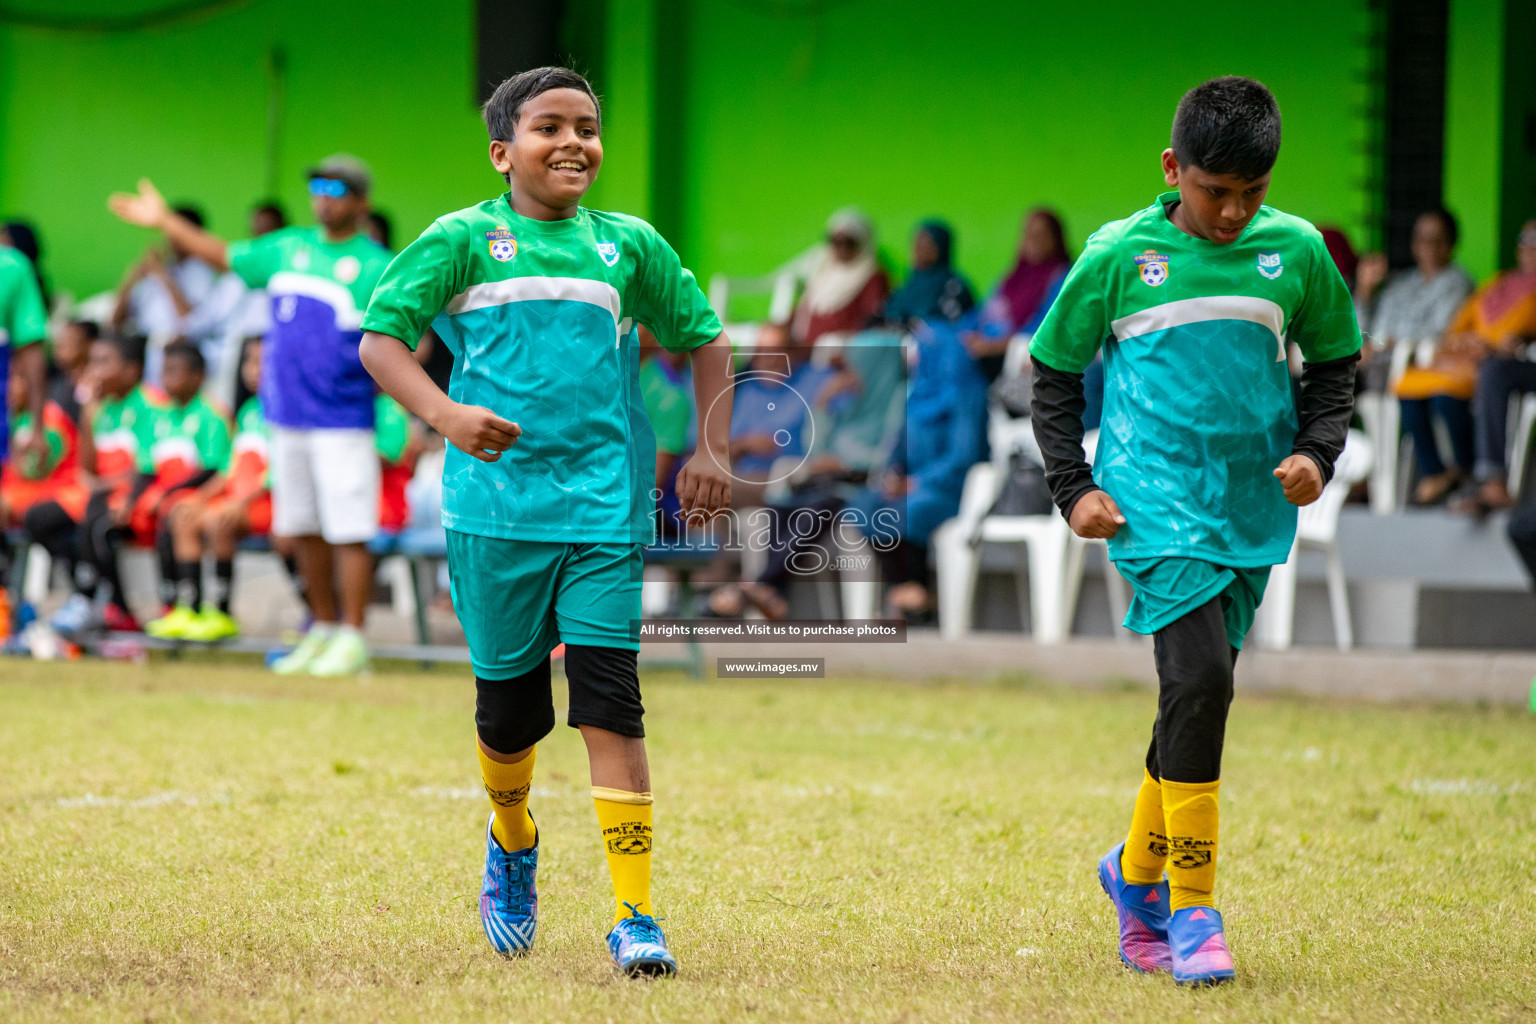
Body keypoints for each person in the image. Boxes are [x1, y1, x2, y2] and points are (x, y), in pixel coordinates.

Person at [356, 66, 734, 977]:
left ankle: (635, 917)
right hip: (493, 514)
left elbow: (707, 339)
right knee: (509, 715)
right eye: (549, 128)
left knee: (611, 697)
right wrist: (446, 417)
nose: (573, 142)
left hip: (604, 507)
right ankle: (513, 839)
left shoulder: (629, 248)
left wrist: (714, 453)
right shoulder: (462, 241)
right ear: (502, 152)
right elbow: (379, 342)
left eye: (588, 128)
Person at [1029, 77, 1359, 985]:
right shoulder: (1116, 255)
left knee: (1195, 699)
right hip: (1152, 504)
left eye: (1252, 192)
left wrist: (1317, 455)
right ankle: (1193, 908)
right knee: (1202, 677)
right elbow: (1052, 373)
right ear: (1174, 169)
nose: (1233, 211)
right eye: (1216, 190)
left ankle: (1132, 873)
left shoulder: (1294, 251)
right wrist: (1074, 488)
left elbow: (1334, 365)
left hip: (1250, 505)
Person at [108, 153, 393, 676]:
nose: (324, 196)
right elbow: (223, 254)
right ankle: (324, 628)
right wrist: (164, 221)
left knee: (348, 531)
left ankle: (354, 637)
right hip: (286, 417)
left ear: (361, 202)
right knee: (302, 526)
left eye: (337, 188)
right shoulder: (288, 248)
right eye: (318, 186)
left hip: (342, 421)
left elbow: (403, 343)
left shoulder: (377, 265)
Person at [31, 334, 164, 635]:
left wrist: (109, 486)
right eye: (92, 362)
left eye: (103, 362)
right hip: (102, 491)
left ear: (131, 370)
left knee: (97, 520)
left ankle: (117, 608)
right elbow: (87, 468)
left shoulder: (151, 405)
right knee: (40, 518)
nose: (93, 370)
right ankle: (86, 592)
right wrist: (89, 411)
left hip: (135, 496)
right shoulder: (101, 407)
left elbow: (148, 469)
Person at [143, 338, 271, 642]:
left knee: (217, 521)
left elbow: (278, 473)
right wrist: (198, 498)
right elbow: (229, 469)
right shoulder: (250, 411)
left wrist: (240, 502)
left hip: (265, 503)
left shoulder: (287, 412)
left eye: (261, 362)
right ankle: (191, 610)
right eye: (248, 362)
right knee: (185, 514)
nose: (253, 371)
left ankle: (223, 614)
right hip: (236, 500)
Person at [1353, 210, 1476, 504]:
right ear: (1413, 244)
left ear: (1452, 243)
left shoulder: (1457, 283)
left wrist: (1393, 345)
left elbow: (1441, 336)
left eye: (1437, 240)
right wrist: (1366, 293)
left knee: (1422, 394)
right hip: (1382, 369)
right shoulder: (1401, 285)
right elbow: (1372, 334)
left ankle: (1445, 474)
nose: (1429, 247)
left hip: (1427, 369)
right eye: (1422, 239)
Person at [1458, 221, 1536, 511]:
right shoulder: (1501, 284)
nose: (1530, 247)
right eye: (1525, 239)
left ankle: (1493, 481)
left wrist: (1521, 341)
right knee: (1462, 383)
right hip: (1491, 360)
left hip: (1523, 364)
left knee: (1494, 371)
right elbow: (1457, 327)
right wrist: (1475, 343)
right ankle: (1473, 479)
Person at [965, 208, 1072, 382]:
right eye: (1029, 234)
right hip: (986, 350)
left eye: (1042, 235)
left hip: (1016, 355)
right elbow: (980, 314)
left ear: (1056, 239)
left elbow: (1045, 329)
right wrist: (967, 335)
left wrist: (994, 346)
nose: (1034, 241)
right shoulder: (1013, 278)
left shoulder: (1062, 278)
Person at [779, 208, 888, 346]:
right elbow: (807, 307)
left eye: (849, 243)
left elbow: (872, 321)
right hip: (806, 344)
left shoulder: (873, 277)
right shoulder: (823, 269)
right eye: (836, 242)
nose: (842, 249)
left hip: (838, 350)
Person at [883, 219, 974, 328]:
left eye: (925, 244)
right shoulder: (908, 284)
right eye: (916, 244)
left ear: (940, 248)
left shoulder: (953, 287)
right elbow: (888, 312)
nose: (917, 250)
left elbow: (950, 325)